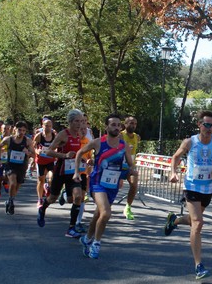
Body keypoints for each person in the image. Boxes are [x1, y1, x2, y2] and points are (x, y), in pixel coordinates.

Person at [163, 110, 212, 279]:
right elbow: (175, 157)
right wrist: (173, 172)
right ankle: (198, 265)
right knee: (198, 224)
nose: (209, 128)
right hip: (191, 186)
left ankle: (174, 220)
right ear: (199, 125)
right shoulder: (190, 142)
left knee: (193, 220)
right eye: (206, 125)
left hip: (208, 188)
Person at [75, 114, 136, 259]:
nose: (116, 127)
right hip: (97, 183)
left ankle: (87, 239)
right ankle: (96, 243)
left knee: (99, 214)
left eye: (118, 125)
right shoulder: (98, 142)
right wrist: (77, 172)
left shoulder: (123, 145)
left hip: (112, 185)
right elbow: (79, 153)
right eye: (113, 125)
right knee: (106, 213)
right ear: (106, 127)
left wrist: (132, 170)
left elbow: (129, 163)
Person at [37, 109, 86, 238]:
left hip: (73, 171)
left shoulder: (81, 134)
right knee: (52, 198)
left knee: (76, 198)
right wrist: (64, 155)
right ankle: (43, 209)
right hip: (60, 170)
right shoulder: (63, 134)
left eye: (81, 121)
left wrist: (84, 159)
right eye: (76, 121)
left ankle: (71, 228)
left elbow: (78, 151)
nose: (79, 124)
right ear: (70, 122)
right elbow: (49, 152)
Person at [0, 121, 36, 215]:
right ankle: (11, 202)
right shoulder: (9, 139)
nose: (21, 132)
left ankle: (10, 200)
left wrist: (28, 153)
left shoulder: (28, 141)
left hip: (22, 166)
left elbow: (34, 154)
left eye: (23, 130)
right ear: (15, 129)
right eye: (19, 130)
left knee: (17, 186)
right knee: (13, 183)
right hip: (10, 164)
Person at [120, 116, 140, 220]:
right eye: (131, 123)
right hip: (119, 165)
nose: (133, 125)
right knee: (115, 187)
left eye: (135, 124)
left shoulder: (137, 137)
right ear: (125, 124)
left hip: (130, 166)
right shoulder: (120, 135)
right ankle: (105, 207)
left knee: (134, 185)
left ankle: (128, 207)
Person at [33, 117, 56, 208]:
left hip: (50, 160)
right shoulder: (39, 136)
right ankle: (40, 199)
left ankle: (48, 186)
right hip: (41, 161)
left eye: (49, 126)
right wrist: (36, 151)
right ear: (43, 126)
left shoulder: (54, 135)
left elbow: (57, 146)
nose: (48, 128)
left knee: (52, 177)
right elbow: (33, 147)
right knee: (41, 180)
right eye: (46, 126)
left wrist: (56, 150)